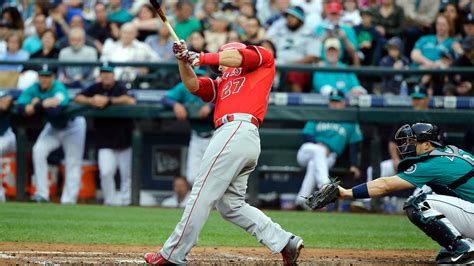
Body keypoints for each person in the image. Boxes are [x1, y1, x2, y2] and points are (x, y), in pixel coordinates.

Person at [144, 41, 304, 265]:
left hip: (237, 129)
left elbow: (238, 57)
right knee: (231, 205)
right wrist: (183, 60)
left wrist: (202, 56)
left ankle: (173, 254)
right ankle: (285, 242)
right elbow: (192, 85)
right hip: (237, 136)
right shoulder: (222, 83)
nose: (221, 61)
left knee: (201, 193)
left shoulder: (263, 60)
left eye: (224, 55)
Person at [337, 122, 474, 264]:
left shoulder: (432, 163)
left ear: (427, 144)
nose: (408, 146)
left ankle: (463, 250)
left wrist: (346, 193)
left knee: (417, 203)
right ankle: (465, 244)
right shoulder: (453, 151)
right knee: (430, 189)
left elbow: (385, 185)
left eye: (413, 142)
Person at [17, 66, 86, 204]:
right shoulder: (34, 88)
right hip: (53, 127)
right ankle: (42, 194)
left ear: (53, 78)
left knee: (72, 161)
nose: (44, 79)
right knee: (38, 150)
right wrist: (43, 104)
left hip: (73, 126)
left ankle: (68, 200)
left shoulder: (58, 87)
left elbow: (56, 111)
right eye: (42, 76)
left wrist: (37, 105)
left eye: (47, 76)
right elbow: (21, 108)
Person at [74, 65, 136, 206]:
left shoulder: (120, 86)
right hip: (105, 139)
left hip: (124, 137)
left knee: (127, 175)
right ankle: (110, 201)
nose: (106, 76)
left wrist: (108, 101)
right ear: (100, 76)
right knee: (106, 173)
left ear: (113, 75)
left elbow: (131, 100)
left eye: (108, 74)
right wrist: (92, 100)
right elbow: (77, 97)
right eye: (103, 74)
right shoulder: (95, 88)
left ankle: (127, 203)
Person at [295, 89, 362, 208]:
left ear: (344, 103)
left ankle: (301, 200)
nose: (334, 104)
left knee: (313, 164)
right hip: (309, 150)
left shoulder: (350, 121)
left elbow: (354, 144)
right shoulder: (321, 113)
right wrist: (318, 144)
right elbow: (307, 133)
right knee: (318, 152)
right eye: (332, 101)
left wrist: (354, 164)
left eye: (337, 102)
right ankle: (325, 186)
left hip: (329, 156)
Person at [161, 68, 214, 185]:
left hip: (216, 135)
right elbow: (165, 99)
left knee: (216, 176)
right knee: (192, 177)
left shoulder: (212, 85)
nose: (198, 80)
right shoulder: (185, 86)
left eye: (200, 76)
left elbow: (226, 96)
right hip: (196, 136)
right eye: (195, 76)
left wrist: (211, 105)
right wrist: (175, 104)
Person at [265, 6, 321, 92]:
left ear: (300, 19)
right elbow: (267, 42)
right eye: (287, 16)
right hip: (278, 63)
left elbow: (313, 56)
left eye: (292, 17)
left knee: (294, 74)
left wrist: (291, 64)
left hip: (299, 67)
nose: (289, 19)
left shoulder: (310, 33)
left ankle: (297, 102)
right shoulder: (280, 29)